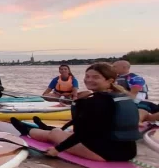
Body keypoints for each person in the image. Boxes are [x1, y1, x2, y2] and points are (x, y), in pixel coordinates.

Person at [11, 63, 140, 162]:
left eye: (95, 77)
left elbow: (82, 134)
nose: (89, 80)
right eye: (87, 76)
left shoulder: (97, 101)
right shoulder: (124, 96)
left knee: (55, 134)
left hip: (105, 153)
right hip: (129, 151)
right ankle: (43, 128)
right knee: (62, 132)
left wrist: (57, 150)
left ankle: (27, 131)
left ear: (109, 81)